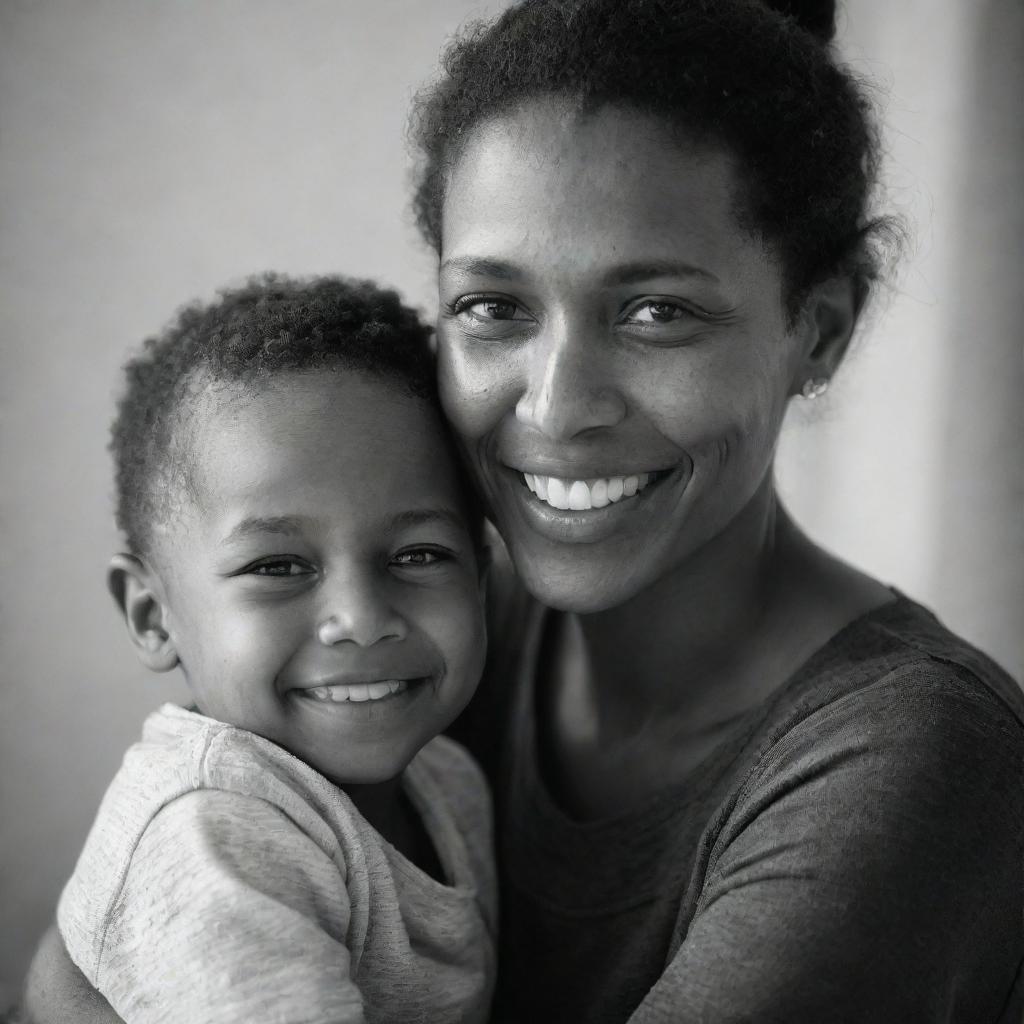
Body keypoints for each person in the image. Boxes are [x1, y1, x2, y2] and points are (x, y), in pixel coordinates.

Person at [23, 0, 1024, 1021]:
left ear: (818, 328)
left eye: (656, 312)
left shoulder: (913, 756)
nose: (554, 407)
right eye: (494, 308)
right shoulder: (426, 633)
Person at [48, 275, 496, 1023]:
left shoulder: (449, 780)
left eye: (418, 554)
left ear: (485, 576)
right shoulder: (215, 840)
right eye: (277, 567)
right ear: (153, 616)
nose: (359, 619)